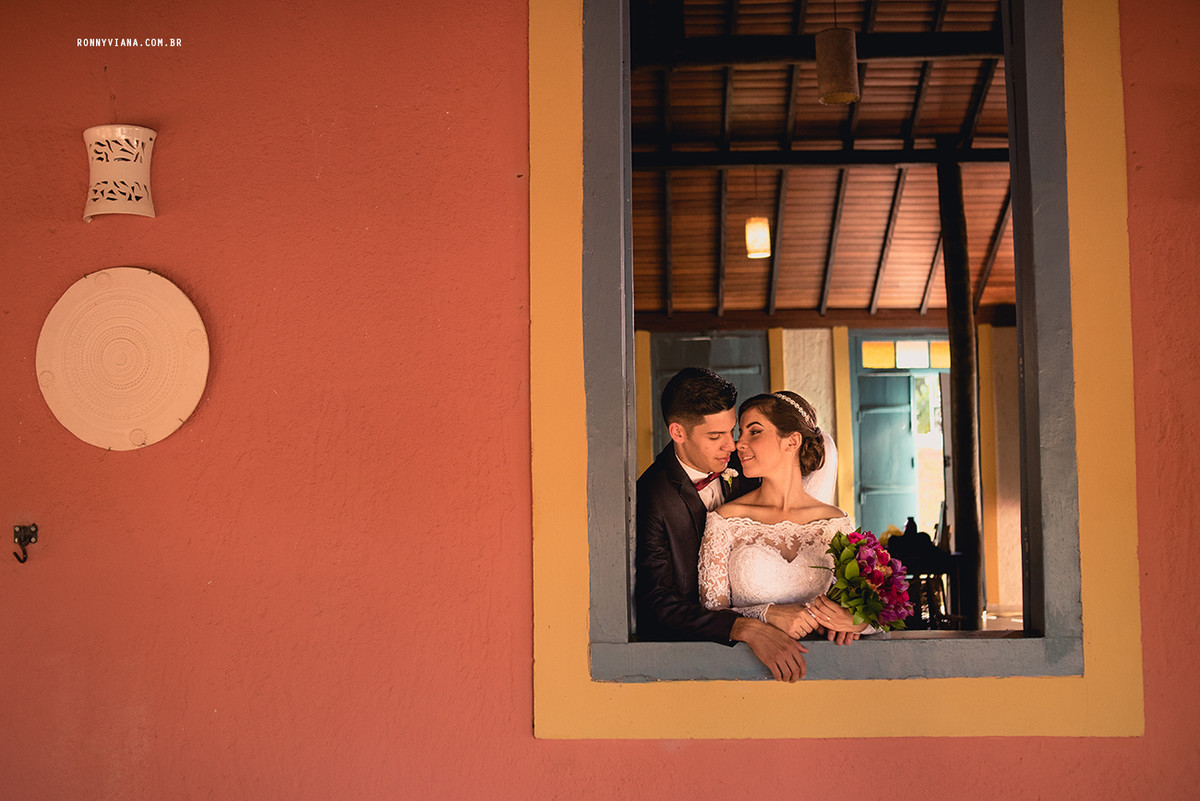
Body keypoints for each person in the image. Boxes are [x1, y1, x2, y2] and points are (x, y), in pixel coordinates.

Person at [635, 368, 812, 682]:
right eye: (716, 437)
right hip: (700, 665)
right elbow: (657, 604)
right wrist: (745, 627)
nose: (732, 446)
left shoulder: (746, 463)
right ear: (678, 433)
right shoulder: (650, 495)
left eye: (732, 431)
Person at [698, 390, 870, 649]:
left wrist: (858, 622)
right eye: (740, 434)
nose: (738, 444)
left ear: (792, 441)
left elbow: (875, 607)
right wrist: (766, 613)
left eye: (753, 432)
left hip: (828, 671)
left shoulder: (835, 524)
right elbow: (710, 613)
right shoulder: (725, 520)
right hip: (744, 669)